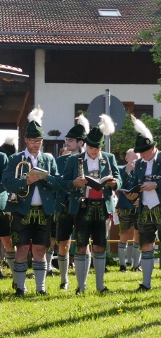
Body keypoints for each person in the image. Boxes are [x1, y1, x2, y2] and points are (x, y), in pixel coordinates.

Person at [2, 106, 62, 296]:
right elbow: (6, 182)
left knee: (40, 249)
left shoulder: (48, 159)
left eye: (39, 141)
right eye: (33, 141)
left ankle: (40, 288)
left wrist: (46, 178)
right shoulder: (15, 159)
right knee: (21, 249)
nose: (36, 144)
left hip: (43, 209)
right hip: (21, 209)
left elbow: (58, 182)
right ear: (26, 140)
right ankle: (20, 287)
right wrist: (25, 181)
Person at [121, 115, 161, 291]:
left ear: (152, 148)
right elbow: (134, 183)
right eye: (140, 153)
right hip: (144, 208)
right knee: (146, 245)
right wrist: (132, 195)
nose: (142, 155)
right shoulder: (140, 163)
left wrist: (156, 185)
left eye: (144, 152)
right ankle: (146, 284)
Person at [62, 115, 120, 294]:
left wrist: (114, 183)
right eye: (91, 148)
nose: (94, 151)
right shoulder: (74, 160)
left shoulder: (109, 158)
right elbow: (64, 182)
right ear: (86, 145)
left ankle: (100, 286)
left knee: (100, 245)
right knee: (81, 245)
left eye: (97, 148)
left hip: (102, 206)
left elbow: (119, 179)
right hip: (82, 206)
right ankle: (81, 286)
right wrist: (74, 183)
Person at [54, 115, 89, 290]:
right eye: (66, 139)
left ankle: (83, 282)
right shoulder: (60, 160)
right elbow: (57, 182)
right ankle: (64, 280)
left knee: (84, 243)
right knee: (63, 242)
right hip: (64, 204)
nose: (67, 142)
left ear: (81, 142)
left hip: (84, 205)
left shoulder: (89, 160)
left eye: (71, 140)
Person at [116, 149, 141, 272]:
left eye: (137, 158)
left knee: (138, 234)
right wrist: (127, 171)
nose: (135, 160)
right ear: (126, 159)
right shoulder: (120, 170)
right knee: (124, 233)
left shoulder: (142, 170)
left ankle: (136, 265)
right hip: (124, 206)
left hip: (139, 206)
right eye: (133, 158)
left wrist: (139, 199)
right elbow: (119, 185)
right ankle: (122, 265)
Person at [0, 136, 16, 282]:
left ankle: (16, 273)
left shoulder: (2, 157)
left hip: (0, 203)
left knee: (7, 240)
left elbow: (5, 180)